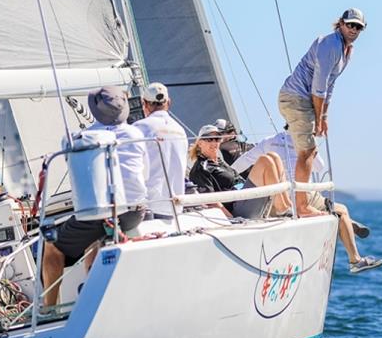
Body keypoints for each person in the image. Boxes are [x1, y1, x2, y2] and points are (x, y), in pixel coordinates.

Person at [42, 86, 148, 306]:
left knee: (52, 248)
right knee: (93, 236)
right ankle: (92, 287)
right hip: (137, 210)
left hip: (107, 213)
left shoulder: (83, 138)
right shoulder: (136, 134)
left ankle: (47, 309)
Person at [233, 129, 382, 273]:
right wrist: (313, 150)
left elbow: (244, 161)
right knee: (342, 210)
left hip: (280, 195)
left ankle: (343, 224)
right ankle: (355, 259)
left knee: (337, 212)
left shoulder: (269, 141)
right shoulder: (306, 144)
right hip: (304, 194)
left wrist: (226, 178)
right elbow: (319, 167)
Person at [278, 8, 366, 216]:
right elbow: (319, 87)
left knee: (309, 152)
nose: (354, 29)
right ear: (341, 24)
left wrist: (324, 117)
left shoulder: (346, 51)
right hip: (296, 97)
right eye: (350, 24)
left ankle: (302, 201)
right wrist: (318, 119)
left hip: (303, 100)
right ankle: (301, 206)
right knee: (307, 152)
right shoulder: (331, 44)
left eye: (358, 27)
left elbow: (330, 85)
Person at [188, 124, 291, 218]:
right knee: (265, 161)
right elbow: (210, 200)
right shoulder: (200, 169)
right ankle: (281, 209)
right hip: (238, 208)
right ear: (200, 143)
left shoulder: (220, 162)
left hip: (245, 196)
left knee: (274, 157)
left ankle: (287, 205)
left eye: (217, 139)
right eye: (209, 139)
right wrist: (232, 220)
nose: (214, 142)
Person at [133, 82, 188, 218]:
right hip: (176, 206)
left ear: (144, 104)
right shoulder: (181, 131)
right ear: (168, 102)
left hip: (149, 206)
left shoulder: (139, 128)